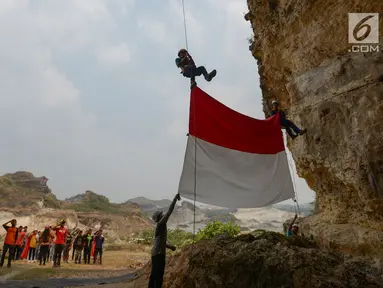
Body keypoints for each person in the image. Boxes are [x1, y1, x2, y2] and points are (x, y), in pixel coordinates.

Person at [148, 193, 181, 288]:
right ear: (159, 217)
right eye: (161, 215)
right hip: (158, 255)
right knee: (158, 277)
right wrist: (175, 198)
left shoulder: (160, 226)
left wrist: (170, 247)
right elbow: (169, 212)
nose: (163, 215)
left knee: (154, 275)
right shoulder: (161, 224)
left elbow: (162, 242)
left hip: (156, 254)